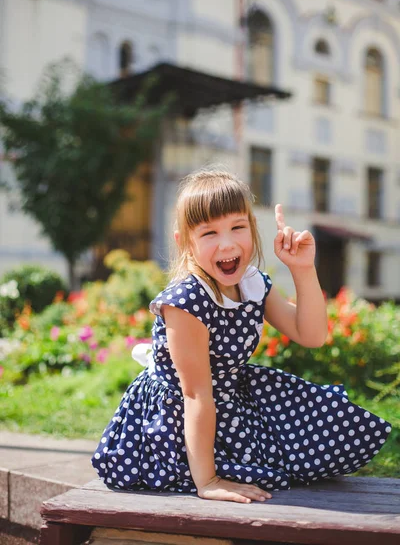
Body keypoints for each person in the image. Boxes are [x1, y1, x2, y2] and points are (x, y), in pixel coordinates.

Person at [91, 168, 392, 504]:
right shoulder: (185, 302)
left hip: (230, 400)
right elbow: (195, 395)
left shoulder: (251, 283)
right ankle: (205, 468)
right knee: (268, 468)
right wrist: (208, 482)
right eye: (209, 233)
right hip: (178, 416)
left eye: (237, 227)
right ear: (185, 242)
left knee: (336, 427)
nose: (227, 243)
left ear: (252, 227)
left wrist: (303, 268)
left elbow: (312, 335)